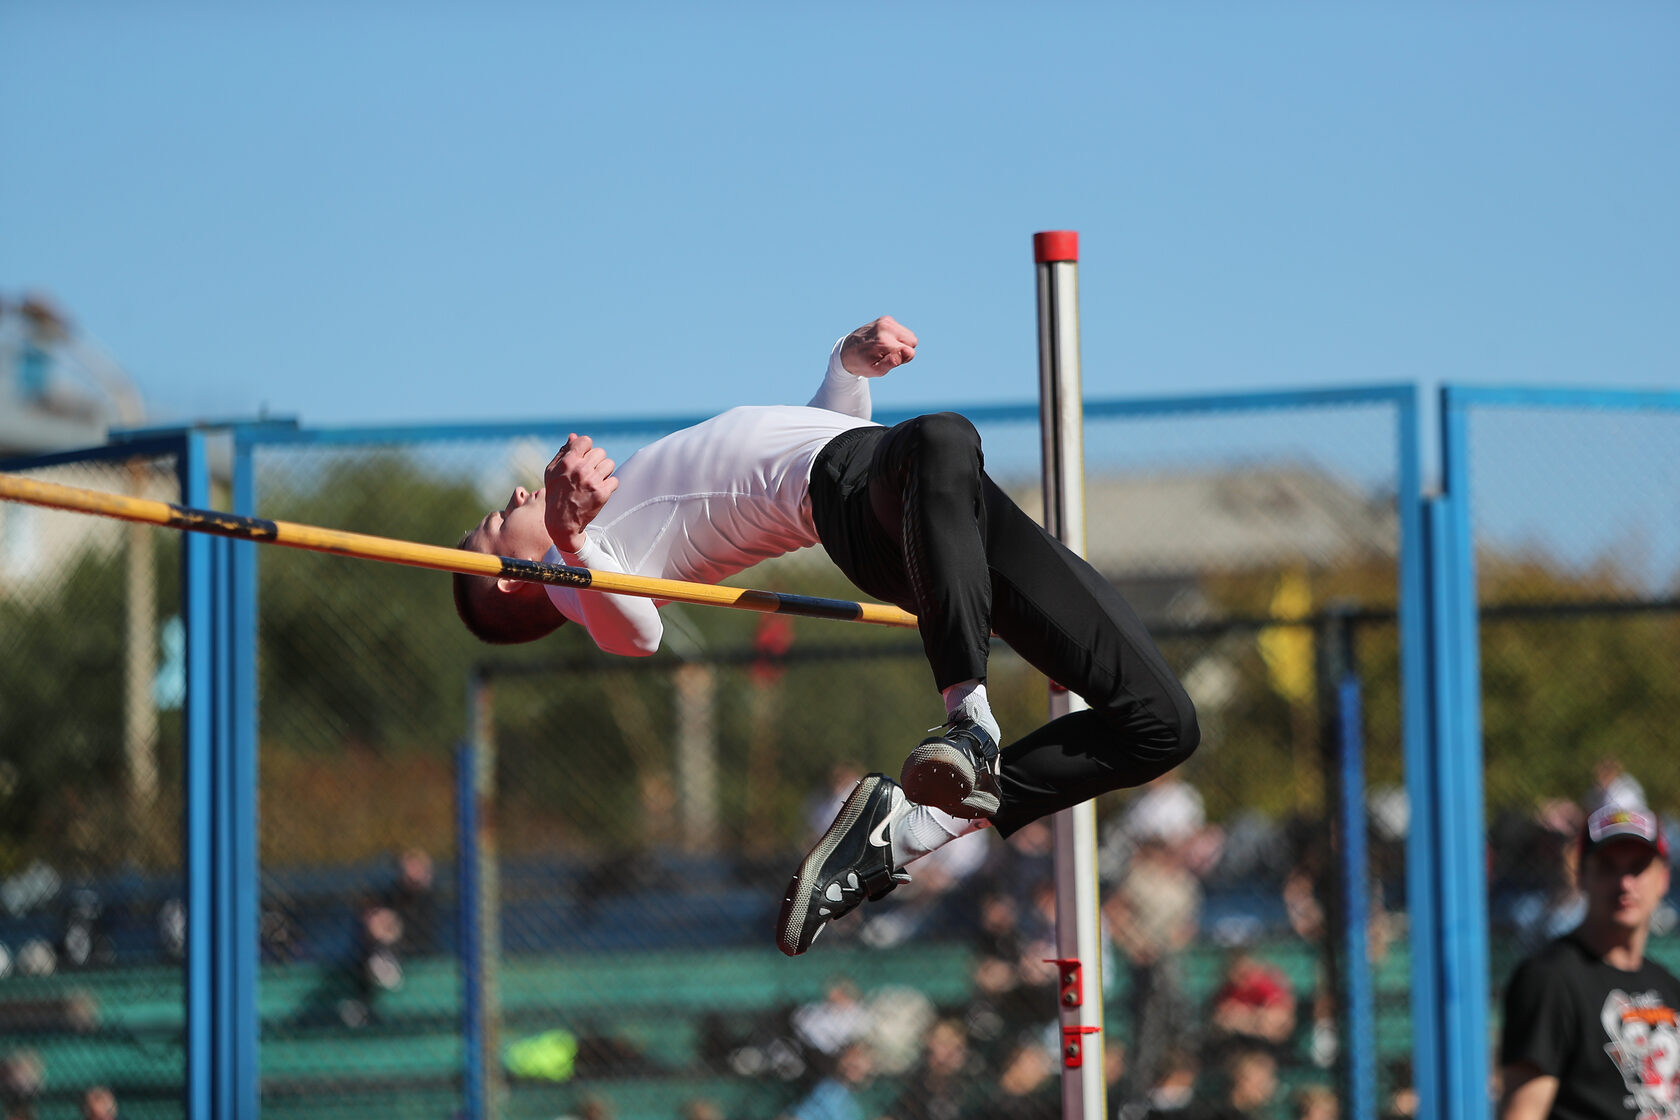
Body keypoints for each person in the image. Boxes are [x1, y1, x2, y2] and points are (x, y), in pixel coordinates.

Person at [453, 316, 1199, 956]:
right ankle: (968, 723)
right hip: (866, 493)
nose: (514, 496)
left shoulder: (589, 548)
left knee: (1162, 724)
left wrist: (845, 368)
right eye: (497, 522)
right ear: (513, 579)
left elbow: (804, 438)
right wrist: (569, 540)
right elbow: (638, 635)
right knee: (943, 436)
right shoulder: (568, 569)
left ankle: (911, 832)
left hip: (921, 502)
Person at [1499, 804, 1680, 1120]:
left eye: (1637, 867)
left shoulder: (1666, 985)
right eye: (1608, 867)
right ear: (1581, 876)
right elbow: (1522, 1112)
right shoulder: (1549, 979)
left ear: (1663, 879)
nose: (1625, 883)